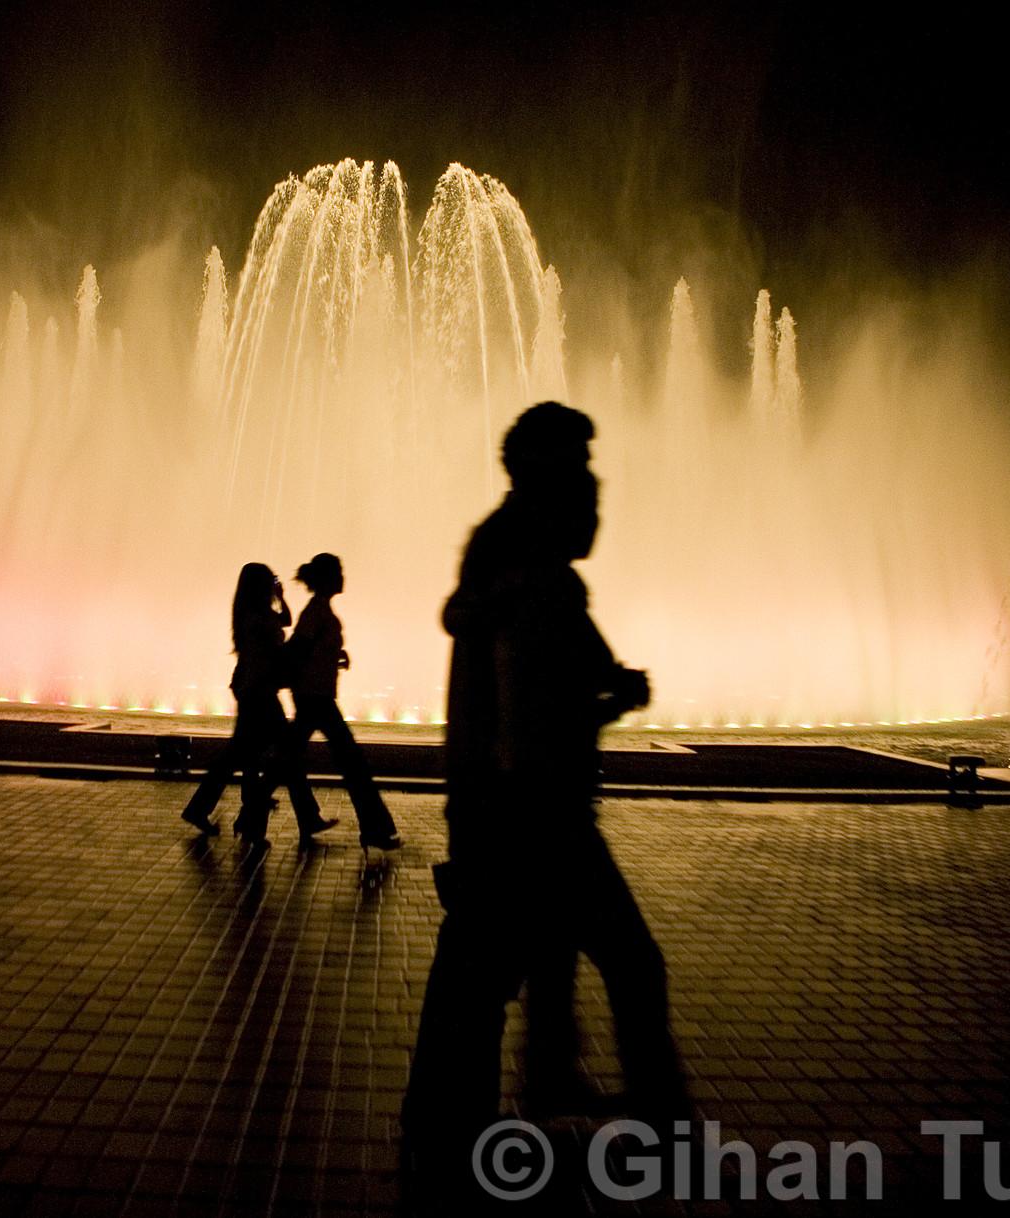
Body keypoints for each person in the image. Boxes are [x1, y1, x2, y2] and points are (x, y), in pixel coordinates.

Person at [403, 402, 689, 1175]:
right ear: (547, 484)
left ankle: (467, 1113)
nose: (596, 493)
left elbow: (564, 674)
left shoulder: (512, 566)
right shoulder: (530, 581)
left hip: (504, 809)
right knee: (623, 960)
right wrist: (610, 701)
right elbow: (535, 712)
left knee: (486, 970)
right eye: (582, 475)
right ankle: (662, 1124)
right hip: (532, 814)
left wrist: (607, 687)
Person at [180, 563, 334, 842]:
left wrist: (281, 597)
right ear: (260, 585)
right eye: (271, 580)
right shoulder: (257, 618)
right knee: (284, 755)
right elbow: (276, 648)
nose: (274, 583)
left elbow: (285, 620)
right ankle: (287, 818)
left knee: (243, 756)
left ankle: (216, 812)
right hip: (258, 693)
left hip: (255, 691)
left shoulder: (254, 613)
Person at [282, 554, 401, 850]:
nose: (343, 578)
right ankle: (375, 828)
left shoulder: (319, 610)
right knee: (352, 763)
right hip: (316, 697)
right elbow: (300, 648)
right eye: (339, 572)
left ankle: (257, 816)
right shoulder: (316, 612)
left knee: (289, 760)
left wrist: (335, 655)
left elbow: (308, 648)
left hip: (314, 695)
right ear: (327, 578)